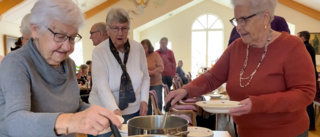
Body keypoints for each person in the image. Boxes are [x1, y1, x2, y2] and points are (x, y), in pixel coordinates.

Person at [165, 0, 316, 136]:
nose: (238, 27)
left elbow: (305, 93)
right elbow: (212, 77)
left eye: (244, 19)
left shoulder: (292, 46)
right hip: (245, 132)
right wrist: (186, 90)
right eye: (236, 20)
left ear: (265, 17)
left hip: (287, 133)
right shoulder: (236, 47)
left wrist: (257, 104)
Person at [0, 0, 122, 136]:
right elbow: (15, 122)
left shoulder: (68, 63)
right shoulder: (16, 62)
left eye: (72, 38)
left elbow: (75, 105)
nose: (67, 47)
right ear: (35, 30)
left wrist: (98, 113)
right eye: (59, 36)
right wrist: (72, 121)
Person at [89, 8, 150, 124]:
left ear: (129, 29)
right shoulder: (99, 51)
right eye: (116, 28)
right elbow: (101, 85)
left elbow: (145, 77)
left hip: (134, 111)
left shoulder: (138, 48)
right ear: (107, 29)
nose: (120, 33)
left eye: (124, 28)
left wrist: (144, 100)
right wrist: (114, 110)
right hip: (104, 111)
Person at [297, 30, 317, 131]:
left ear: (302, 38)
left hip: (308, 77)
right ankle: (311, 125)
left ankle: (310, 125)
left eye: (298, 36)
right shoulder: (309, 46)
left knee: (308, 102)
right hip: (311, 76)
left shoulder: (304, 47)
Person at [141, 39, 164, 115]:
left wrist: (152, 72)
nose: (144, 50)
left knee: (158, 103)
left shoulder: (155, 55)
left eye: (145, 47)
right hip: (145, 84)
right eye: (142, 47)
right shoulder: (139, 56)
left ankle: (158, 120)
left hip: (156, 83)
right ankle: (149, 122)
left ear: (149, 47)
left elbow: (161, 67)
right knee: (147, 105)